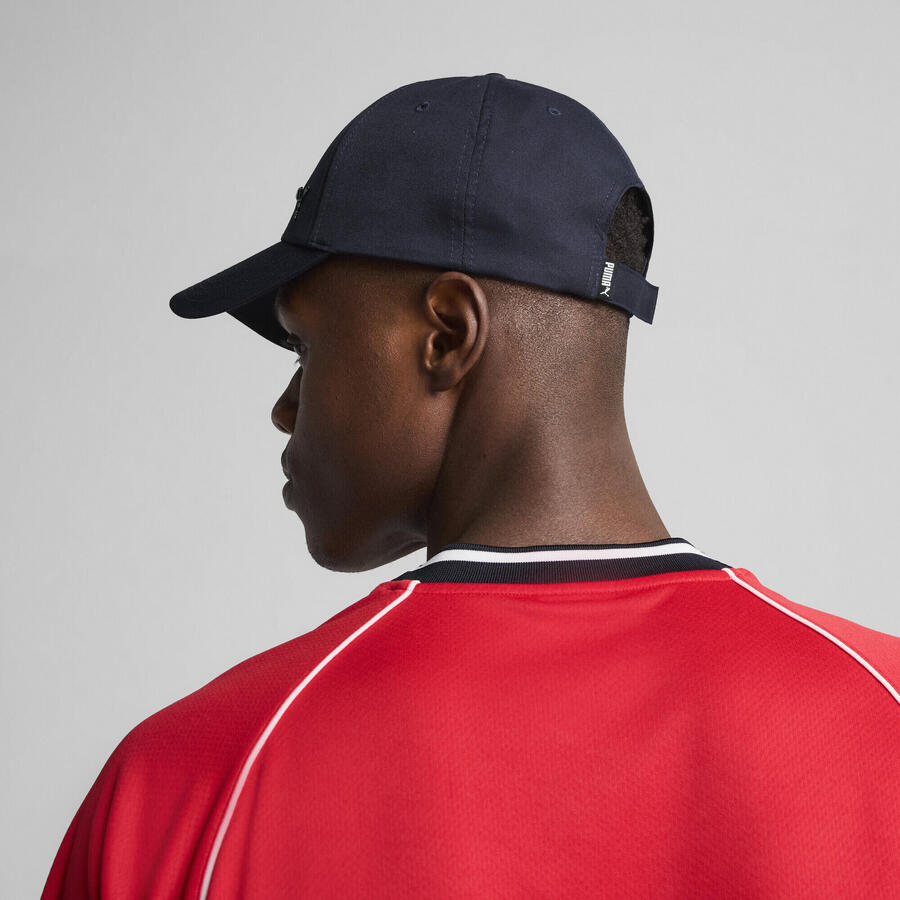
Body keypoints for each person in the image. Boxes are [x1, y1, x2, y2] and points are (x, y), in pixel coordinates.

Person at [43, 73, 900, 899]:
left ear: (447, 336)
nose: (285, 408)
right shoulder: (881, 715)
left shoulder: (192, 784)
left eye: (305, 346)